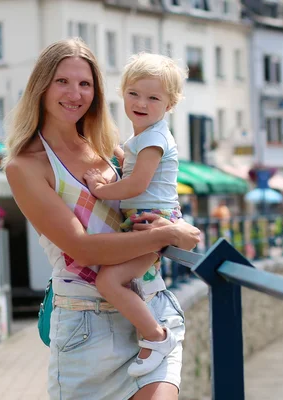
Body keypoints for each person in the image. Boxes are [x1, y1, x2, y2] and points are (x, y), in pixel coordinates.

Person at [3, 38, 200, 400]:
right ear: (41, 86)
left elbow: (153, 193)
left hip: (151, 310)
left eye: (85, 84)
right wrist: (168, 235)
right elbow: (82, 248)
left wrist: (172, 223)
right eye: (62, 81)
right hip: (87, 327)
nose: (74, 93)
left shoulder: (108, 147)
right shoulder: (25, 166)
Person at [82, 52, 186, 378]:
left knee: (109, 280)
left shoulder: (154, 138)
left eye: (153, 97)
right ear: (123, 92)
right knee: (121, 278)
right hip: (143, 220)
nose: (141, 102)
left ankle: (156, 336)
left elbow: (137, 183)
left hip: (149, 220)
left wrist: (100, 189)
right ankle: (150, 332)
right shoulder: (143, 135)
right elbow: (131, 160)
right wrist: (112, 150)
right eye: (134, 93)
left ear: (169, 105)